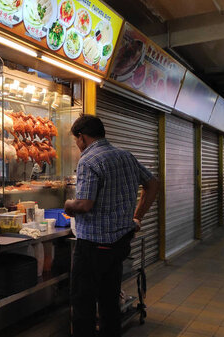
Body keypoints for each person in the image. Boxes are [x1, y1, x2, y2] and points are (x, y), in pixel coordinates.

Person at [64, 114, 158, 337]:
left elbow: (85, 204)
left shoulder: (88, 160)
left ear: (83, 137)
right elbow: (153, 184)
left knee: (83, 304)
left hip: (93, 247)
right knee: (109, 301)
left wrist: (68, 205)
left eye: (77, 141)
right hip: (119, 245)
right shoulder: (126, 156)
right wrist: (138, 217)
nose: (78, 146)